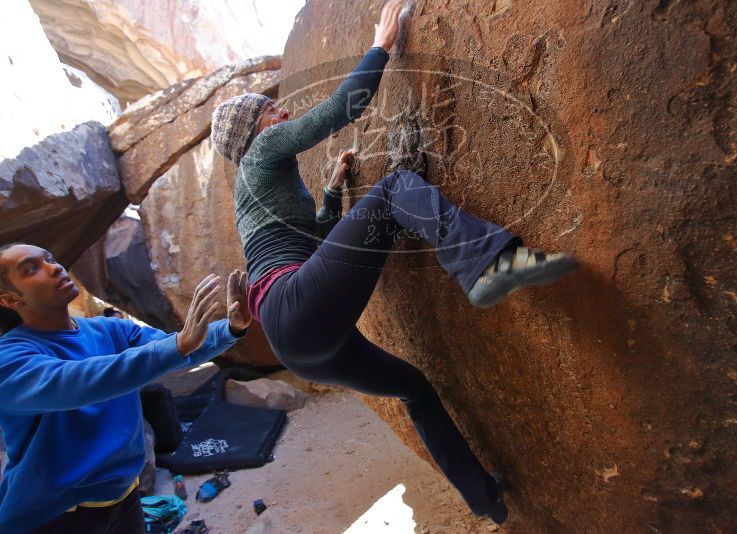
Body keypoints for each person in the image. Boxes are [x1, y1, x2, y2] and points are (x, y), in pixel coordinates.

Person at [210, 0, 577, 523]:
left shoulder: (255, 189)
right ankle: (487, 263)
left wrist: (333, 190)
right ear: (254, 128)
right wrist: (381, 45)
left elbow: (314, 240)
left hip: (301, 341)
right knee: (396, 188)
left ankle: (483, 497)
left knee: (414, 389)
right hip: (294, 306)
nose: (281, 112)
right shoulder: (263, 150)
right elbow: (339, 111)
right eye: (269, 111)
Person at [0, 243, 252, 533]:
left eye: (50, 259)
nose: (54, 267)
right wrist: (177, 345)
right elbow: (77, 382)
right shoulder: (9, 357)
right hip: (54, 516)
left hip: (124, 498)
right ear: (9, 299)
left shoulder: (110, 330)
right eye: (32, 269)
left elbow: (181, 349)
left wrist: (232, 328)